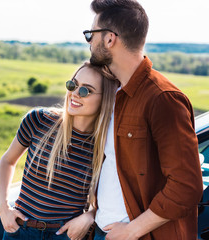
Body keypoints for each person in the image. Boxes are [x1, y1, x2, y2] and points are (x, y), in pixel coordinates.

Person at [82, 0, 203, 239]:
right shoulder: (115, 93)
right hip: (105, 231)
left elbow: (186, 187)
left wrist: (130, 231)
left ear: (109, 39)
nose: (89, 42)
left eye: (91, 34)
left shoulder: (163, 99)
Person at [0, 62, 118, 240]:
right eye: (73, 85)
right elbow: (7, 161)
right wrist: (3, 208)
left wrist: (89, 216)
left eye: (86, 91)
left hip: (65, 234)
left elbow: (109, 197)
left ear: (105, 99)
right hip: (20, 231)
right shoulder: (39, 120)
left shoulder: (105, 145)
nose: (75, 94)